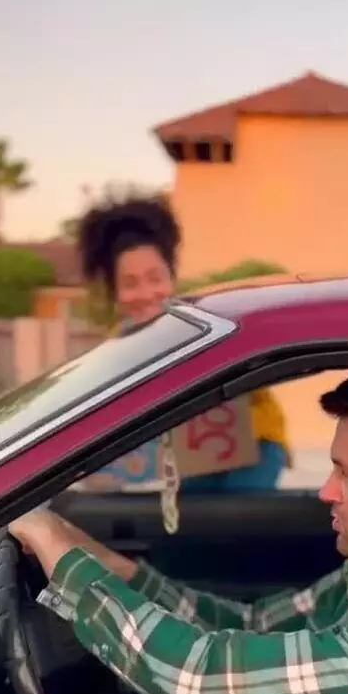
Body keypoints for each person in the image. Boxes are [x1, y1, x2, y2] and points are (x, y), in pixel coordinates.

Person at [8, 365, 348, 694]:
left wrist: (58, 552)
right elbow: (254, 626)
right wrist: (108, 565)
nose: (325, 491)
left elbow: (195, 675)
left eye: (346, 474)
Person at [77, 193, 291, 491]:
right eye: (130, 283)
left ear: (172, 277)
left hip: (254, 447)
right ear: (115, 292)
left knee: (234, 518)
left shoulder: (207, 322)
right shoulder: (116, 351)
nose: (146, 293)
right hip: (187, 460)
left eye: (155, 278)